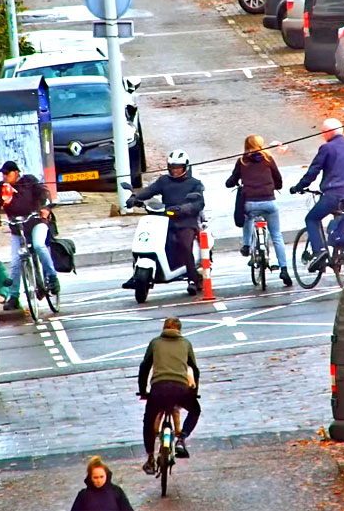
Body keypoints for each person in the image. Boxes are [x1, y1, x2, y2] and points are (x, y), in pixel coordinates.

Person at [126, 150, 204, 296]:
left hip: (186, 222)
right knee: (146, 240)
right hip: (166, 220)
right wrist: (135, 197)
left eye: (178, 167)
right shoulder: (164, 181)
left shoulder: (195, 184)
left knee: (185, 245)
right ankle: (136, 273)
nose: (175, 170)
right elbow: (150, 190)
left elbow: (198, 203)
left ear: (185, 167)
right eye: (172, 166)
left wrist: (183, 209)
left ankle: (192, 280)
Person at [0, 161, 60, 310]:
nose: (4, 176)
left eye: (7, 173)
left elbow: (44, 193)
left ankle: (52, 277)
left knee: (39, 245)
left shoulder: (29, 181)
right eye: (3, 173)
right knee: (15, 262)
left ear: (16, 173)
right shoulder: (3, 187)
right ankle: (14, 297)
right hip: (17, 227)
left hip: (36, 222)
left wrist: (45, 208)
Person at [289, 119, 344, 272]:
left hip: (333, 195)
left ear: (328, 133)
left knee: (312, 219)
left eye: (323, 132)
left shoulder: (327, 148)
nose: (322, 135)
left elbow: (313, 171)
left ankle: (319, 252)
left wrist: (299, 187)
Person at [225, 135, 292, 286]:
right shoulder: (268, 159)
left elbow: (232, 180)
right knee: (276, 235)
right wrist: (274, 186)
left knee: (248, 218)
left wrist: (231, 182)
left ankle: (247, 245)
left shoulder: (242, 161)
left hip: (251, 203)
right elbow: (278, 179)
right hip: (269, 202)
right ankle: (284, 268)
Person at [139, 317, 201, 471]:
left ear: (164, 328)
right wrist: (194, 392)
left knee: (148, 420)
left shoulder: (155, 343)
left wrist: (143, 391)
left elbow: (145, 367)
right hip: (181, 389)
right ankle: (181, 438)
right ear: (179, 330)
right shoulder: (186, 343)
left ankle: (150, 458)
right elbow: (194, 369)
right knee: (195, 410)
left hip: (158, 389)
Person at [70, 456, 134, 511]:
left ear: (106, 475)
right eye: (95, 477)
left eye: (101, 477)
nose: (99, 480)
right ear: (90, 477)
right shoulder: (83, 495)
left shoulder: (116, 492)